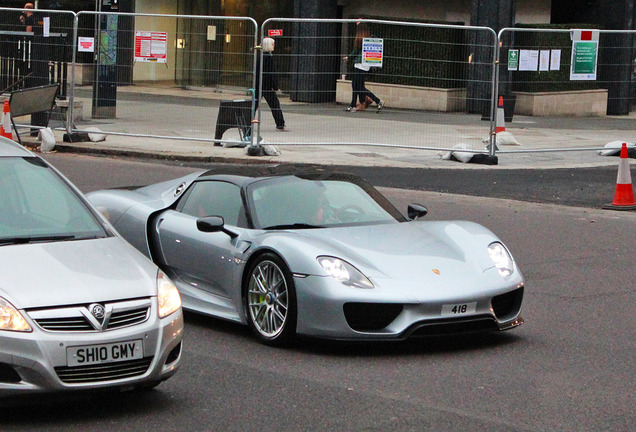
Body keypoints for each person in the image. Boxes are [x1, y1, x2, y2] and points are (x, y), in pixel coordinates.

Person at [344, 22, 384, 113]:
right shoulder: (367, 39)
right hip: (365, 64)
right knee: (356, 85)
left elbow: (355, 51)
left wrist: (349, 57)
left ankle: (378, 101)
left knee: (358, 86)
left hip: (360, 64)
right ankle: (353, 104)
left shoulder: (360, 39)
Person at [254, 37, 287, 131]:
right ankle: (280, 124)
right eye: (272, 44)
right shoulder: (268, 57)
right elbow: (272, 73)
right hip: (267, 86)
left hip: (259, 84)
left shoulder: (260, 56)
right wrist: (275, 86)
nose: (274, 46)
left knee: (254, 104)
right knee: (275, 105)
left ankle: (247, 121)